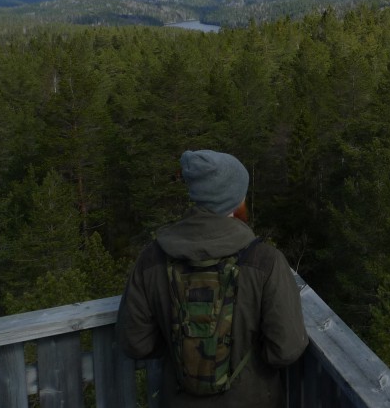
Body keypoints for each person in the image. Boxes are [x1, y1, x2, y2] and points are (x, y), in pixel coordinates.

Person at [118, 150, 308, 407]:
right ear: (235, 198)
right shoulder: (265, 260)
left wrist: (183, 347)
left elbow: (135, 343)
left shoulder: (152, 258)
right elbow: (286, 349)